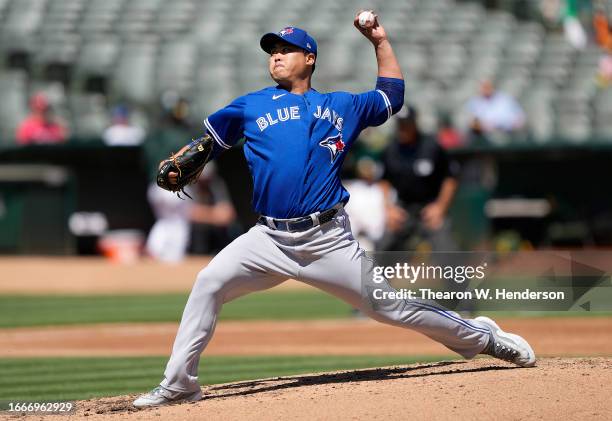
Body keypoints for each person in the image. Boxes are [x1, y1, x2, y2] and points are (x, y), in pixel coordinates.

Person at [133, 13, 536, 409]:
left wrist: (380, 41)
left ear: (309, 58)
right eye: (272, 50)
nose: (275, 56)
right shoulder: (250, 106)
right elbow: (209, 142)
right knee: (209, 284)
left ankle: (484, 338)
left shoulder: (341, 106)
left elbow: (391, 96)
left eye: (286, 49)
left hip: (327, 240)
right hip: (267, 239)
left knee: (390, 307)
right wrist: (189, 156)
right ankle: (180, 384)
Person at [380, 105, 460, 253]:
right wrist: (389, 208)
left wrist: (440, 207)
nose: (403, 128)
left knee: (447, 249)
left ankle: (456, 276)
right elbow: (384, 180)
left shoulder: (431, 147)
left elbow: (450, 178)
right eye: (400, 124)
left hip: (429, 208)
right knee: (383, 247)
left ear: (414, 123)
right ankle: (372, 276)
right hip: (403, 209)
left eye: (406, 124)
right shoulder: (390, 150)